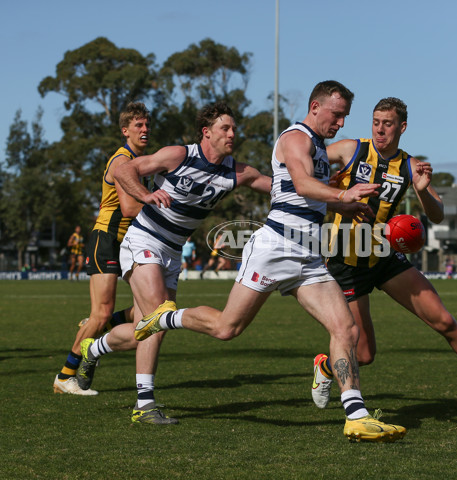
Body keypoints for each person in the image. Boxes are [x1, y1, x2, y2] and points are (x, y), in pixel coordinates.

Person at [128, 81, 406, 442]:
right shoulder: (296, 138)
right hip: (276, 247)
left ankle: (356, 415)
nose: (340, 124)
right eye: (336, 115)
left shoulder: (320, 148)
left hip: (307, 254)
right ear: (316, 107)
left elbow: (307, 198)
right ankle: (165, 317)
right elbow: (303, 185)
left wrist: (344, 204)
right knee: (227, 329)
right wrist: (343, 192)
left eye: (344, 118)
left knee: (346, 328)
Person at [308, 97, 457, 411]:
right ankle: (325, 366)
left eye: (388, 123)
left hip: (383, 255)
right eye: (376, 122)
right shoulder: (350, 149)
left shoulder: (411, 166)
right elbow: (306, 162)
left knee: (444, 320)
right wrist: (324, 183)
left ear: (402, 127)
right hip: (346, 262)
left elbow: (438, 215)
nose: (380, 129)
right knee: (363, 354)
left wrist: (425, 190)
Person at [78, 102, 272, 425]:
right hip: (143, 240)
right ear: (207, 132)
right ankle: (144, 405)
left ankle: (92, 350)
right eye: (226, 128)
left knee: (148, 328)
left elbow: (275, 186)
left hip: (172, 253)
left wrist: (329, 191)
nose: (232, 134)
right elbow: (122, 170)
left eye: (234, 129)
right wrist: (145, 194)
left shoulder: (235, 172)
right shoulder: (180, 155)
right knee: (159, 315)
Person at [53, 102, 151, 395]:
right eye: (138, 126)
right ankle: (65, 376)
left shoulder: (140, 160)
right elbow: (130, 207)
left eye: (147, 125)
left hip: (128, 242)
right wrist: (163, 203)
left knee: (146, 311)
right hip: (106, 239)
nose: (145, 130)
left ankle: (100, 323)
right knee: (101, 312)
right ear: (125, 131)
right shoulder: (122, 162)